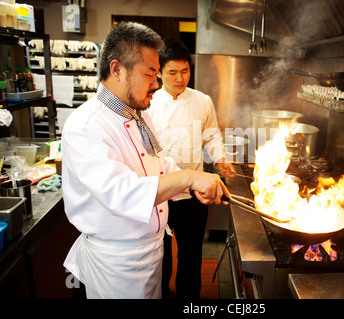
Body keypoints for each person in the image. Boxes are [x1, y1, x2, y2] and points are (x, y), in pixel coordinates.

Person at [61, 22, 230, 299]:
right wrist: (189, 177)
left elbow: (161, 163)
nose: (156, 83)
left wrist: (193, 186)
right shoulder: (86, 125)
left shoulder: (138, 113)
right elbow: (122, 193)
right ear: (117, 69)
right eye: (150, 74)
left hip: (149, 252)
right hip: (117, 264)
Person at [148, 39, 235, 299]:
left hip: (194, 194)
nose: (179, 78)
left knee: (191, 254)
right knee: (159, 256)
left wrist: (221, 157)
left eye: (185, 71)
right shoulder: (147, 103)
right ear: (160, 72)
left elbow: (211, 135)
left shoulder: (202, 101)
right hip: (160, 191)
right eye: (172, 72)